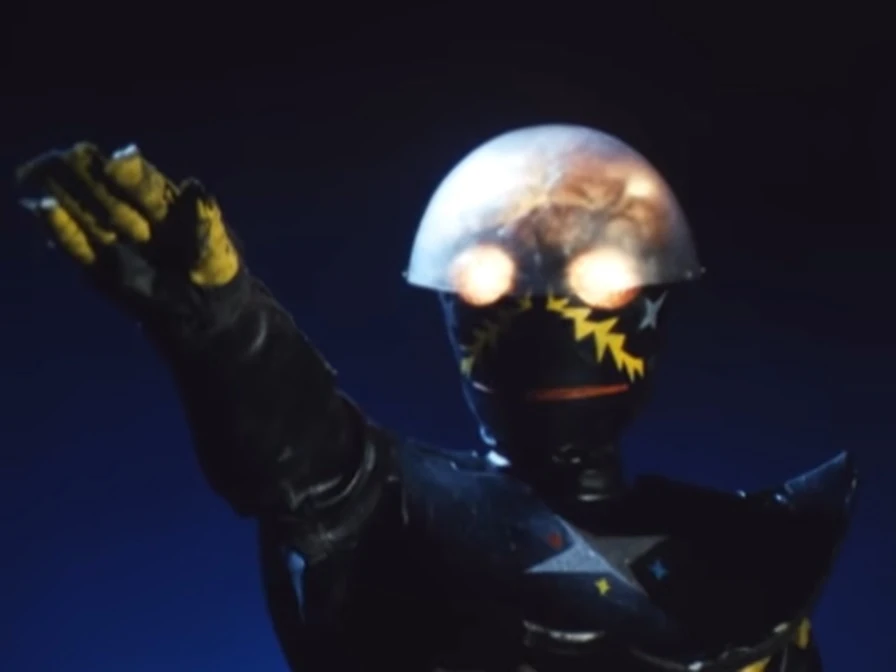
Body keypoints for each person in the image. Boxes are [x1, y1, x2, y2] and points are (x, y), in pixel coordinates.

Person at [16, 125, 856, 672]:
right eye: (497, 273)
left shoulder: (753, 560)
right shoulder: (389, 512)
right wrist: (228, 330)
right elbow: (309, 466)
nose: (546, 295)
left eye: (596, 271)